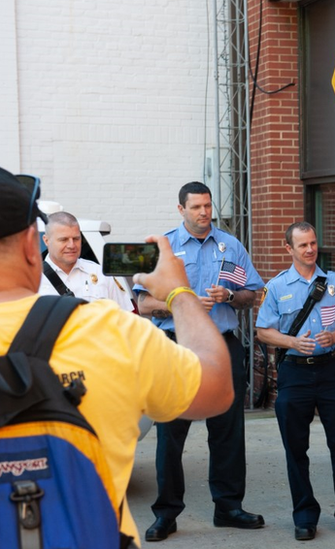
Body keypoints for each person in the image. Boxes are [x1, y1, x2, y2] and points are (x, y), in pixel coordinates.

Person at [0, 167, 233, 544]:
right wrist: (180, 294)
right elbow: (217, 388)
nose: (72, 245)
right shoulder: (110, 330)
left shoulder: (100, 282)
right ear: (34, 245)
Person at [135, 182, 266, 542]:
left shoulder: (231, 246)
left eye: (207, 206)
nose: (204, 213)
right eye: (196, 207)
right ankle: (166, 514)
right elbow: (145, 305)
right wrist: (182, 301)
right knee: (170, 436)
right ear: (181, 209)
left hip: (222, 347)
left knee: (227, 432)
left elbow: (250, 293)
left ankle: (228, 507)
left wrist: (230, 295)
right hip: (174, 348)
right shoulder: (163, 248)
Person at [256, 222, 335, 541]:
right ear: (288, 248)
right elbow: (263, 331)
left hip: (331, 371)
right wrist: (292, 343)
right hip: (294, 372)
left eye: (313, 243)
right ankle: (304, 515)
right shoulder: (277, 286)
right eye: (302, 245)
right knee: (296, 447)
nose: (310, 249)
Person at [38, 211, 134, 311]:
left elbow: (125, 318)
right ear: (46, 241)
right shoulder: (32, 279)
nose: (71, 245)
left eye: (76, 239)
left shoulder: (100, 274)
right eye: (64, 239)